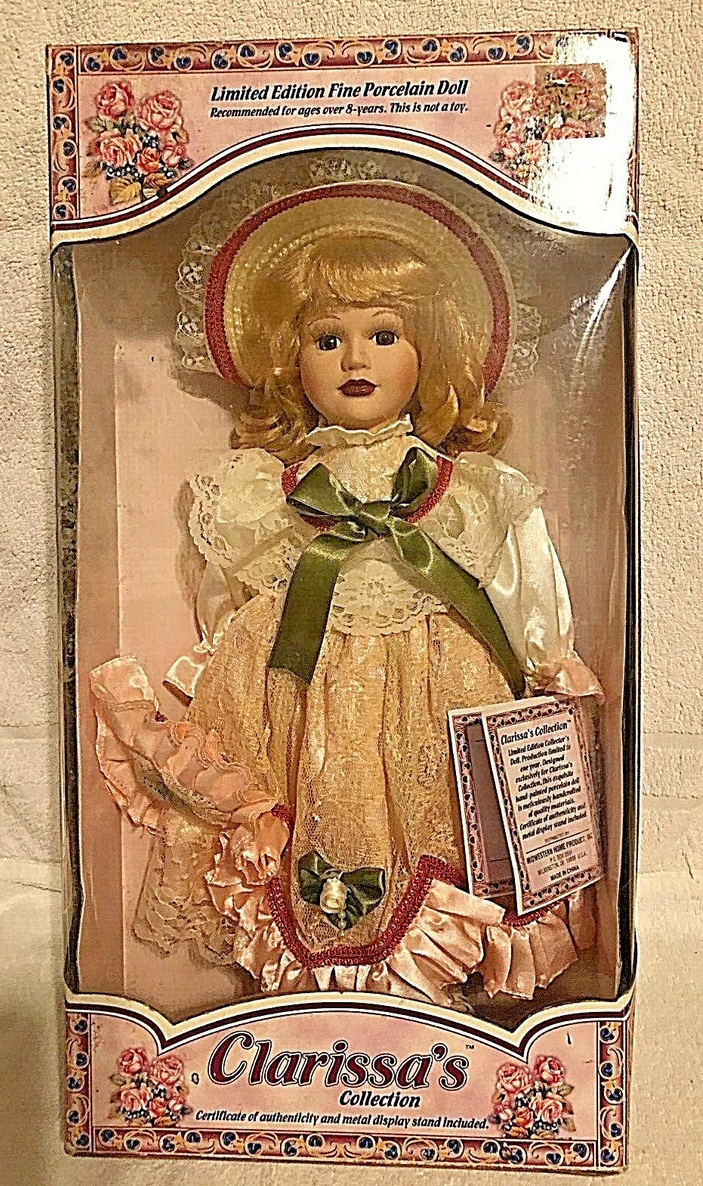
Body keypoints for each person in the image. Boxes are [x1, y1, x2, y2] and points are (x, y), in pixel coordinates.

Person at [91, 181, 602, 1009]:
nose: (355, 361)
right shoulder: (264, 493)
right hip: (299, 695)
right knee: (305, 829)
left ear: (428, 352)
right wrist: (232, 674)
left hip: (438, 694)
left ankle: (431, 991)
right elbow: (229, 603)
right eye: (327, 339)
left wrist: (547, 674)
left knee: (444, 824)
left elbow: (526, 595)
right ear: (289, 359)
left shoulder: (469, 490)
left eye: (383, 335)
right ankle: (321, 1001)